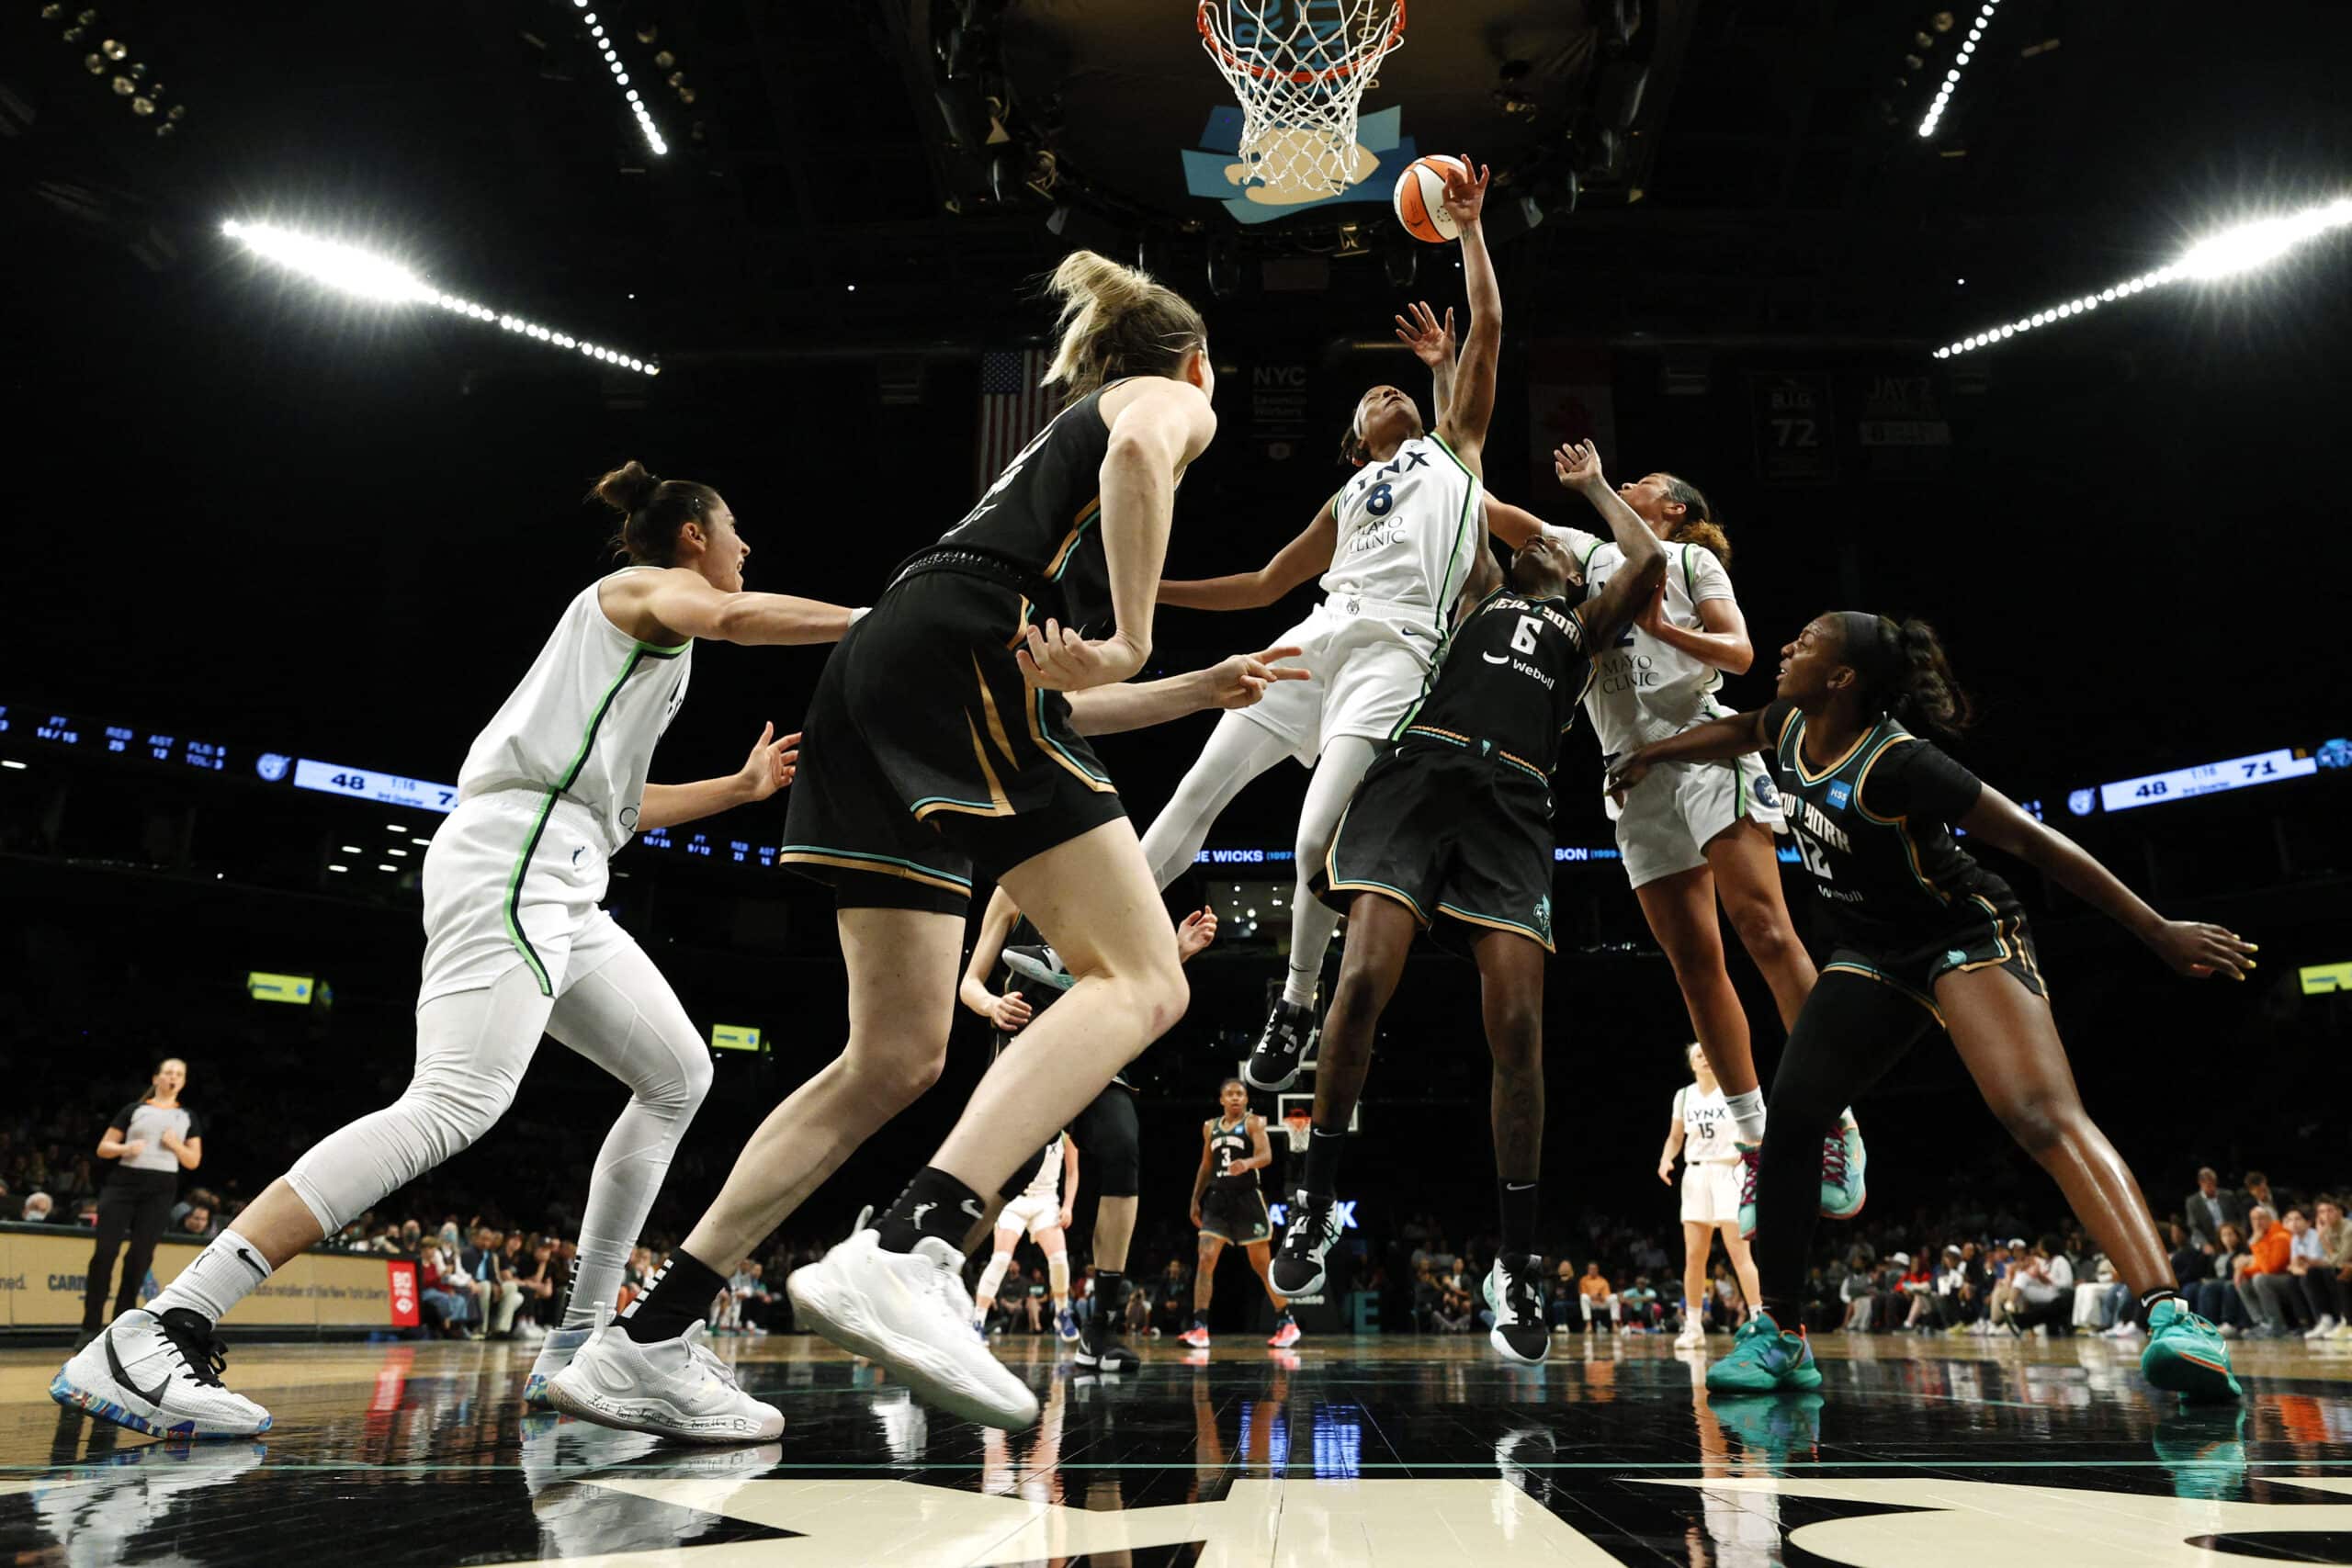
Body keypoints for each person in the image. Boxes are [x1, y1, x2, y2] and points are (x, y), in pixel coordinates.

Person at [552, 251, 1301, 1436]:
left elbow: (1036, 707)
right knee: (1145, 977)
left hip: (884, 672)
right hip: (953, 652)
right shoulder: (1164, 402)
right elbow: (1143, 458)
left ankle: (648, 1337)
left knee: (894, 1054)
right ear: (1195, 363)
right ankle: (919, 1238)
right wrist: (1136, 638)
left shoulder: (1024, 482)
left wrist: (1190, 689)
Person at [54, 462, 854, 1440]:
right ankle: (162, 1326)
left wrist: (734, 791)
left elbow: (618, 807)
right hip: (518, 855)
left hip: (562, 864)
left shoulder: (641, 651)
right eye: (734, 532)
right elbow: (739, 619)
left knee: (678, 1072)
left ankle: (582, 1345)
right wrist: (873, 621)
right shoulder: (640, 592)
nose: (746, 550)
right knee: (455, 1103)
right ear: (691, 534)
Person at [1607, 611, 2253, 1403]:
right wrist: (1652, 753)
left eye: (1806, 643)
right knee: (1796, 1111)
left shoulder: (1904, 764)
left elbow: (2033, 840)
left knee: (2040, 1115)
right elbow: (1735, 728)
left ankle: (2174, 1316)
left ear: (1843, 678)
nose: (1786, 648)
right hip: (1873, 951)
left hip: (1962, 932)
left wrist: (2155, 929)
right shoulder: (1784, 726)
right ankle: (1779, 1331)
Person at [1268, 439, 1664, 1367]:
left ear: (1570, 575)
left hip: (1513, 804)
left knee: (1519, 1028)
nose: (1546, 546)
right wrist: (1444, 383)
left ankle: (1517, 1263)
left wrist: (1594, 490)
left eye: (1561, 550)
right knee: (1360, 983)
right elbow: (1460, 479)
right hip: (1420, 777)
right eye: (1542, 542)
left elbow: (1641, 562)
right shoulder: (1477, 592)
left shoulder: (1584, 625)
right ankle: (1314, 1208)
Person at [1136, 161, 1501, 1094]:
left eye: (1396, 393)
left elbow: (1489, 329)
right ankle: (1117, 942)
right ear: (1353, 437)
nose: (1387, 395)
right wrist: (1151, 586)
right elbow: (1262, 585)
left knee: (1311, 844)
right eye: (1371, 398)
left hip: (1394, 652)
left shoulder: (1453, 457)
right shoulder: (1348, 494)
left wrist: (1466, 232)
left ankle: (1295, 1001)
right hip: (1315, 634)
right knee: (1193, 791)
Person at [1486, 475, 1864, 1224]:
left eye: (1644, 484)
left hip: (1704, 747)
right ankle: (1758, 1146)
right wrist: (1442, 380)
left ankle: (1836, 1121)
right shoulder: (1586, 554)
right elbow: (1478, 498)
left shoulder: (1691, 565)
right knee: (1695, 966)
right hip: (1630, 770)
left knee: (1763, 928)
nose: (1628, 483)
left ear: (1676, 510)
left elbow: (1741, 653)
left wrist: (1661, 627)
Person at [956, 889, 1219, 1371]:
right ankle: (932, 1271)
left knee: (1123, 1147)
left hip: (1093, 1040)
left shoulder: (1095, 877)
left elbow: (1131, 976)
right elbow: (970, 983)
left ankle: (1098, 1330)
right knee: (1019, 1167)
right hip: (1027, 1039)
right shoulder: (1014, 890)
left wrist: (1177, 953)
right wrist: (992, 1005)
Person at [76, 1059, 204, 1350]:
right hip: (123, 1184)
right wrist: (125, 1148)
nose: (173, 1077)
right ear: (156, 1077)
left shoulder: (187, 1116)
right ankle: (89, 1326)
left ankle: (120, 1328)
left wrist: (175, 1145)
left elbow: (193, 1161)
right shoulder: (135, 1110)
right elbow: (103, 1148)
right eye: (168, 1072)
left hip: (160, 1189)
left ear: (183, 1082)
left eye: (179, 1074)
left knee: (139, 1258)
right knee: (104, 1254)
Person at [1657, 1042, 1762, 1348]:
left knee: (1739, 1252)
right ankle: (1692, 1327)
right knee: (1694, 1256)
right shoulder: (1684, 1096)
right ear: (1691, 1064)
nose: (1704, 1057)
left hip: (1728, 1172)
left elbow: (1755, 1128)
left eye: (1707, 1052)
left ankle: (1759, 1320)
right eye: (1698, 1055)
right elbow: (1676, 1136)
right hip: (1696, 1174)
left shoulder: (1732, 1089)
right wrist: (1666, 1158)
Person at [1183, 1079, 1298, 1349]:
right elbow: (1206, 1165)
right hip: (1217, 1202)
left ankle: (1287, 1321)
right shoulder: (1209, 1127)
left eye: (1240, 1094)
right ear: (1221, 1099)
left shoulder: (1254, 1123)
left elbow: (1266, 1155)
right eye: (1230, 1094)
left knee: (1260, 1265)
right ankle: (1200, 1327)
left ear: (1246, 1100)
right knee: (1205, 1257)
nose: (1235, 1098)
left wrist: (1246, 1163)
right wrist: (1194, 1199)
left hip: (1247, 1199)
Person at [973, 1136, 1081, 1343]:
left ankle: (1062, 1313)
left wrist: (1068, 1206)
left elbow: (1073, 1171)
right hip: (1014, 1201)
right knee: (1001, 1259)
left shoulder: (1066, 1133)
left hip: (1046, 1201)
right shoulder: (1026, 1125)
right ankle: (977, 1320)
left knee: (1059, 1258)